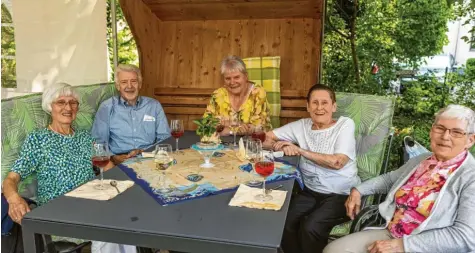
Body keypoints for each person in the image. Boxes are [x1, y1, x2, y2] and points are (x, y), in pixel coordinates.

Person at [324, 104, 475, 253]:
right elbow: (389, 180)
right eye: (440, 128)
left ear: (470, 140)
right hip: (391, 232)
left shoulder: (470, 176)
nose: (445, 136)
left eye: (456, 132)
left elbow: (466, 237)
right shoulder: (422, 160)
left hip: (427, 245)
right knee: (334, 250)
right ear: (432, 131)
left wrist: (403, 246)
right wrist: (358, 190)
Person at [264, 84, 360, 253]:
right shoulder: (301, 126)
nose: (320, 108)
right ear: (308, 107)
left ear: (334, 106)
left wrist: (300, 150)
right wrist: (280, 146)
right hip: (309, 190)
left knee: (311, 227)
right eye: (315, 103)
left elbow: (338, 162)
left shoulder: (345, 125)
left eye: (325, 103)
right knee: (284, 222)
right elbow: (265, 138)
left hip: (340, 193)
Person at [3, 83, 95, 221]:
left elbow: (106, 166)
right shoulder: (39, 139)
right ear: (49, 106)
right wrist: (14, 200)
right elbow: (11, 178)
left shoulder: (84, 136)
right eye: (61, 102)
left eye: (73, 102)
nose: (68, 107)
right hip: (59, 212)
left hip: (94, 203)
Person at [92, 64, 171, 165]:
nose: (129, 86)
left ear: (140, 84)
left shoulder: (154, 105)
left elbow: (165, 138)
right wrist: (113, 157)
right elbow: (98, 143)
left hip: (150, 158)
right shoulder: (107, 107)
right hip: (118, 162)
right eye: (124, 82)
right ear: (118, 86)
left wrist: (143, 152)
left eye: (134, 81)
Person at [204, 55, 272, 135]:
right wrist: (237, 128)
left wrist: (226, 128)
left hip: (252, 144)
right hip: (221, 144)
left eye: (236, 77)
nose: (232, 82)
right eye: (228, 78)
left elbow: (259, 128)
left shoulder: (258, 93)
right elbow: (205, 124)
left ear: (246, 76)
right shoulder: (218, 95)